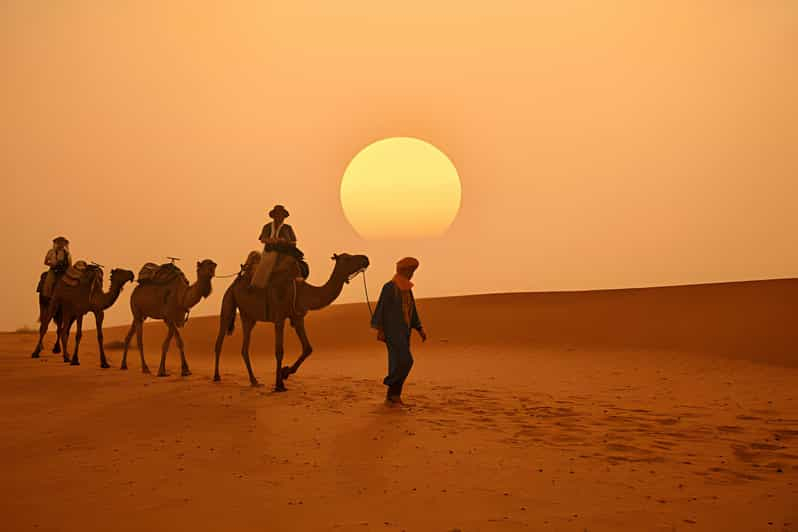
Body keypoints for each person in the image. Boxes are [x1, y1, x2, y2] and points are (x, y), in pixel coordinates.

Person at [371, 257, 427, 405]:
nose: (412, 274)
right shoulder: (389, 287)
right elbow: (381, 309)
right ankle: (391, 386)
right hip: (392, 332)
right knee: (406, 361)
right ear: (405, 270)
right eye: (411, 270)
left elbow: (412, 310)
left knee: (398, 362)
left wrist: (419, 328)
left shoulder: (407, 289)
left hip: (404, 332)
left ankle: (394, 395)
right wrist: (380, 329)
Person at [251, 205, 298, 289]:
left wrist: (284, 241)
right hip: (269, 252)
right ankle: (257, 286)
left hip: (284, 252)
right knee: (264, 265)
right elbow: (262, 239)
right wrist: (272, 240)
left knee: (296, 263)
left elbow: (294, 242)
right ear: (274, 216)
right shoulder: (267, 227)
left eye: (282, 215)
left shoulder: (288, 228)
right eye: (278, 215)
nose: (280, 217)